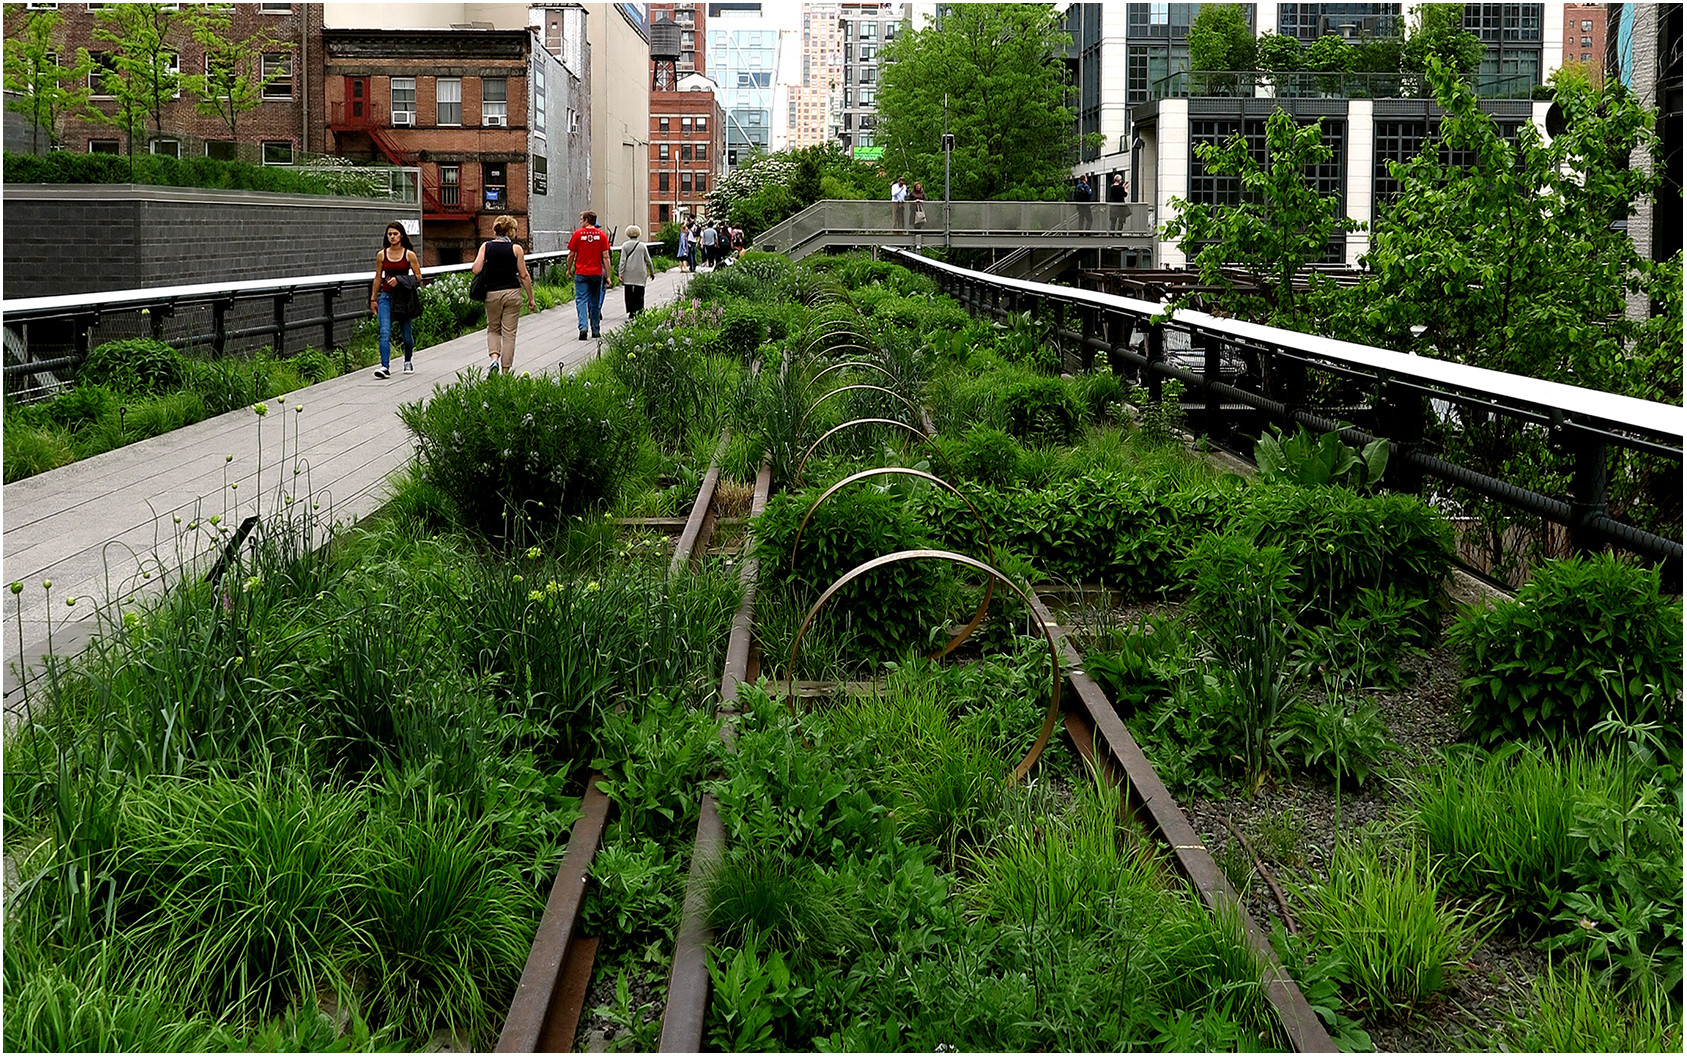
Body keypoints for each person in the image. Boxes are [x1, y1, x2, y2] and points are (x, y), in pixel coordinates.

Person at [471, 214, 536, 376]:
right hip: (512, 293)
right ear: (511, 231)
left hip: (492, 293)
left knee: (493, 329)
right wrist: (531, 298)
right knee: (509, 333)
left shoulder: (486, 246)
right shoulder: (516, 249)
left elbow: (475, 269)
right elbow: (524, 275)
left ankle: (494, 359)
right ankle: (506, 371)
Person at [369, 221, 422, 378]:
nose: (392, 237)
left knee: (406, 334)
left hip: (403, 298)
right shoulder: (382, 255)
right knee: (385, 331)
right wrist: (373, 298)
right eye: (389, 234)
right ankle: (384, 366)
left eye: (395, 234)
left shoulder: (408, 255)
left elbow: (418, 277)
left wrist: (400, 279)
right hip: (386, 296)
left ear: (401, 236)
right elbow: (378, 277)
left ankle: (407, 360)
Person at [566, 210, 612, 340]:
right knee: (594, 301)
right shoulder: (602, 236)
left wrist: (569, 269)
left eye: (582, 219)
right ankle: (596, 329)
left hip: (581, 272)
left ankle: (583, 327)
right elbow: (606, 257)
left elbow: (571, 254)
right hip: (596, 273)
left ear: (586, 220)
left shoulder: (578, 234)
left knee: (581, 300)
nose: (581, 222)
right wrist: (607, 276)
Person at [617, 224, 653, 319]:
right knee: (639, 292)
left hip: (628, 272)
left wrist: (620, 274)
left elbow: (622, 261)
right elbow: (648, 260)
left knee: (628, 293)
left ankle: (631, 311)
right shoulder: (642, 246)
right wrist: (651, 271)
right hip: (640, 272)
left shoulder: (625, 245)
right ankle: (639, 309)